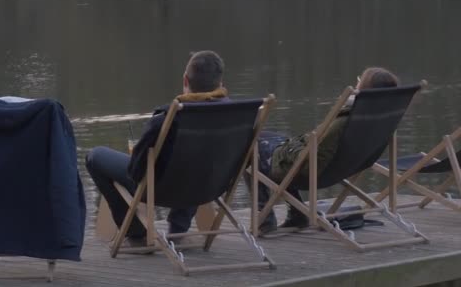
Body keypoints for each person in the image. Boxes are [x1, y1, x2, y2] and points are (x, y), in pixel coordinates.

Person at [86, 50, 229, 246]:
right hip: (211, 186)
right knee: (197, 164)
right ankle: (178, 229)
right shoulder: (235, 116)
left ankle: (135, 232)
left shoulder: (167, 118)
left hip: (161, 190)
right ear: (220, 82)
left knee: (95, 156)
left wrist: (138, 153)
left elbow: (136, 171)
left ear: (185, 80)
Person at [251, 67, 400, 233]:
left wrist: (293, 150)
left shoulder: (346, 119)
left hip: (312, 172)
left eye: (359, 81)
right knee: (270, 137)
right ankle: (298, 214)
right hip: (340, 169)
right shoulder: (379, 119)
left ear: (363, 89)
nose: (356, 83)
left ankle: (265, 219)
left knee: (250, 147)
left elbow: (314, 161)